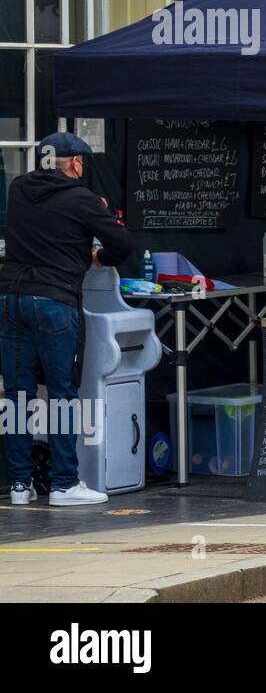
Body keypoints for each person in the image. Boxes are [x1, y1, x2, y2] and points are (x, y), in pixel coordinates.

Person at [0, 133, 132, 506]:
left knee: (17, 395)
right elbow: (122, 244)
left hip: (10, 298)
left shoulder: (18, 188)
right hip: (54, 302)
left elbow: (46, 226)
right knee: (61, 394)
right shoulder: (83, 199)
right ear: (75, 163)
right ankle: (63, 484)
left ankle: (20, 486)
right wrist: (99, 249)